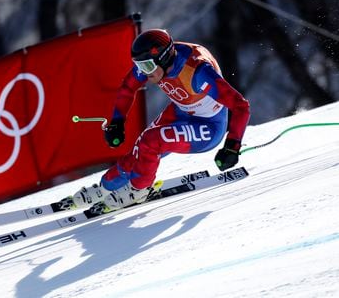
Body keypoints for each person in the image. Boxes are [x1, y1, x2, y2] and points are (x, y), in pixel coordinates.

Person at [72, 28, 250, 213]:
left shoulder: (197, 71)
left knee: (151, 141)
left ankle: (139, 189)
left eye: (146, 67)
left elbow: (240, 106)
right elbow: (127, 87)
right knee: (141, 149)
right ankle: (106, 187)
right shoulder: (154, 63)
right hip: (182, 111)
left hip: (208, 126)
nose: (143, 72)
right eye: (138, 66)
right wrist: (117, 121)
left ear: (164, 58)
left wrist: (232, 146)